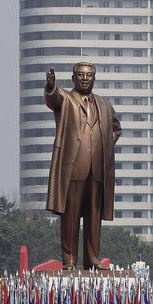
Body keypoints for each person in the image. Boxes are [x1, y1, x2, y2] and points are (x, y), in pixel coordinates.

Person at [44, 63, 122, 271]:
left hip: (97, 170)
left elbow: (116, 129)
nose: (85, 79)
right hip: (74, 169)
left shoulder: (104, 105)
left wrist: (104, 146)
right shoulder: (67, 99)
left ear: (94, 78)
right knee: (70, 216)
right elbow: (53, 99)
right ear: (73, 78)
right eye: (81, 75)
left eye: (89, 75)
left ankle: (92, 258)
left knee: (94, 217)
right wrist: (51, 87)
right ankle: (69, 260)